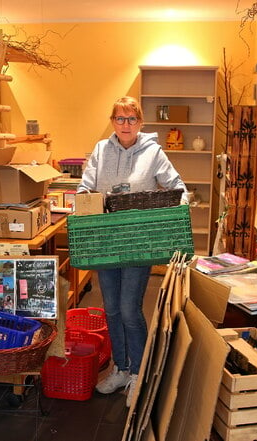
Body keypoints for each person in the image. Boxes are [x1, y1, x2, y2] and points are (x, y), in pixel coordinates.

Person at [77, 96, 187, 406]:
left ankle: (139, 373)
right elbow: (85, 187)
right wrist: (86, 203)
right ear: (112, 121)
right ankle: (121, 368)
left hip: (138, 240)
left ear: (140, 123)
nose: (125, 125)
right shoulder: (101, 150)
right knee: (110, 309)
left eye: (131, 119)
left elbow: (177, 186)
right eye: (120, 119)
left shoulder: (153, 152)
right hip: (105, 240)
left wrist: (178, 211)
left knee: (129, 308)